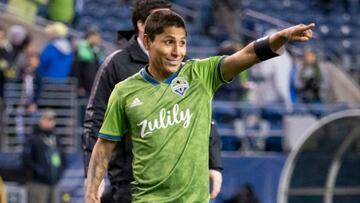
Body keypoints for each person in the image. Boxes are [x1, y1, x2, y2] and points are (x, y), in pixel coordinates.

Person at [85, 10, 314, 202]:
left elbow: (247, 55)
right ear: (147, 42)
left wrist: (280, 37)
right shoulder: (125, 91)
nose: (177, 52)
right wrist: (91, 193)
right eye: (168, 42)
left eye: (182, 43)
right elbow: (104, 146)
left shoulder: (200, 74)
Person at [82, 1, 223, 202]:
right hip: (131, 181)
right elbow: (94, 121)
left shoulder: (184, 65)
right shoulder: (116, 65)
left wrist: (214, 163)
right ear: (141, 26)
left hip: (181, 185)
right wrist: (92, 175)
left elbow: (202, 114)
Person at [22, 108, 65, 203]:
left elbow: (62, 158)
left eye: (52, 120)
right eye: (47, 119)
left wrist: (59, 173)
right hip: (37, 184)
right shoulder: (33, 139)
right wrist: (38, 171)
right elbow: (26, 159)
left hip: (53, 183)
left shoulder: (56, 139)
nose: (50, 122)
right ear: (40, 120)